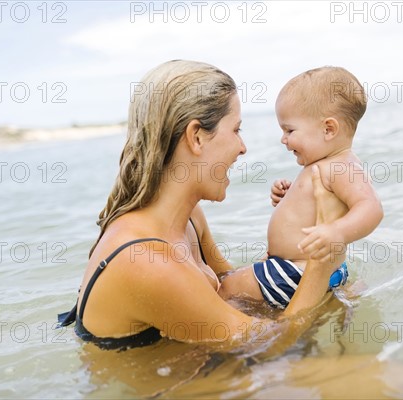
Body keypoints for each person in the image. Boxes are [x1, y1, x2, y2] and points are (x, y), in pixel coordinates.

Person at [57, 60, 345, 351]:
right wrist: (322, 261)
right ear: (196, 137)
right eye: (236, 130)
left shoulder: (189, 219)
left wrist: (292, 246)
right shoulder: (147, 260)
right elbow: (274, 338)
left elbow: (232, 290)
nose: (242, 147)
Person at [219, 66, 383, 308]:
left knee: (227, 287)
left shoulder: (342, 166)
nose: (283, 139)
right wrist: (286, 198)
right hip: (302, 270)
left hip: (295, 271)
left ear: (328, 129)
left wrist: (337, 232)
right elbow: (310, 207)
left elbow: (371, 207)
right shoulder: (325, 165)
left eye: (289, 130)